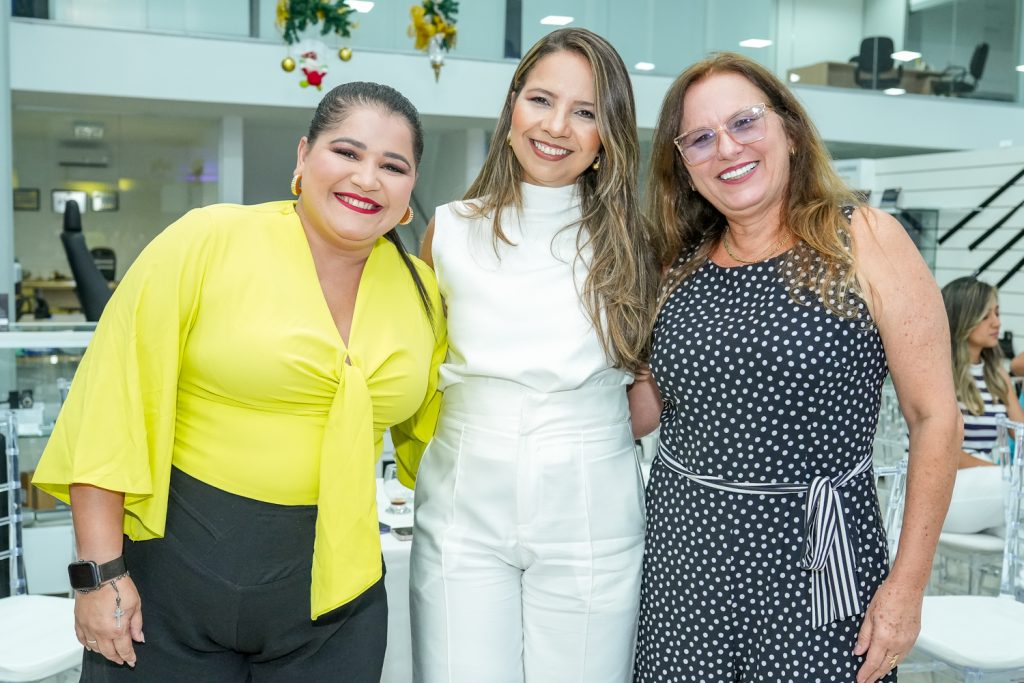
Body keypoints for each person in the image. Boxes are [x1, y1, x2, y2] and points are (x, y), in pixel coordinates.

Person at [33, 81, 446, 682]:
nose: (367, 178)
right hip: (171, 584)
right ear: (303, 157)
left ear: (409, 192)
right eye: (347, 152)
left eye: (393, 165)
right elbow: (111, 401)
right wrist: (97, 574)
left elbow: (444, 432)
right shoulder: (208, 240)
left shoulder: (422, 293)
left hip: (336, 606)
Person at [633, 53, 961, 683]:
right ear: (685, 166)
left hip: (818, 570)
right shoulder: (680, 267)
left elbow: (935, 417)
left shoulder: (863, 238)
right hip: (684, 564)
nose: (727, 147)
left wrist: (908, 588)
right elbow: (644, 411)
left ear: (788, 127)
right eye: (700, 138)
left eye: (745, 122)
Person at [409, 27, 659, 683]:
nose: (557, 127)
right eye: (541, 100)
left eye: (585, 112)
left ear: (611, 132)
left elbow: (651, 386)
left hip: (592, 505)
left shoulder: (637, 243)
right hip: (463, 503)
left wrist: (582, 435)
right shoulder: (451, 227)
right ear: (512, 104)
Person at [940, 276, 1023, 535]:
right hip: (945, 491)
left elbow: (1020, 435)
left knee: (1020, 541)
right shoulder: (938, 374)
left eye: (997, 313)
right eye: (986, 316)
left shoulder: (997, 377)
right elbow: (942, 453)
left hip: (991, 488)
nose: (997, 323)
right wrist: (1005, 472)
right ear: (963, 319)